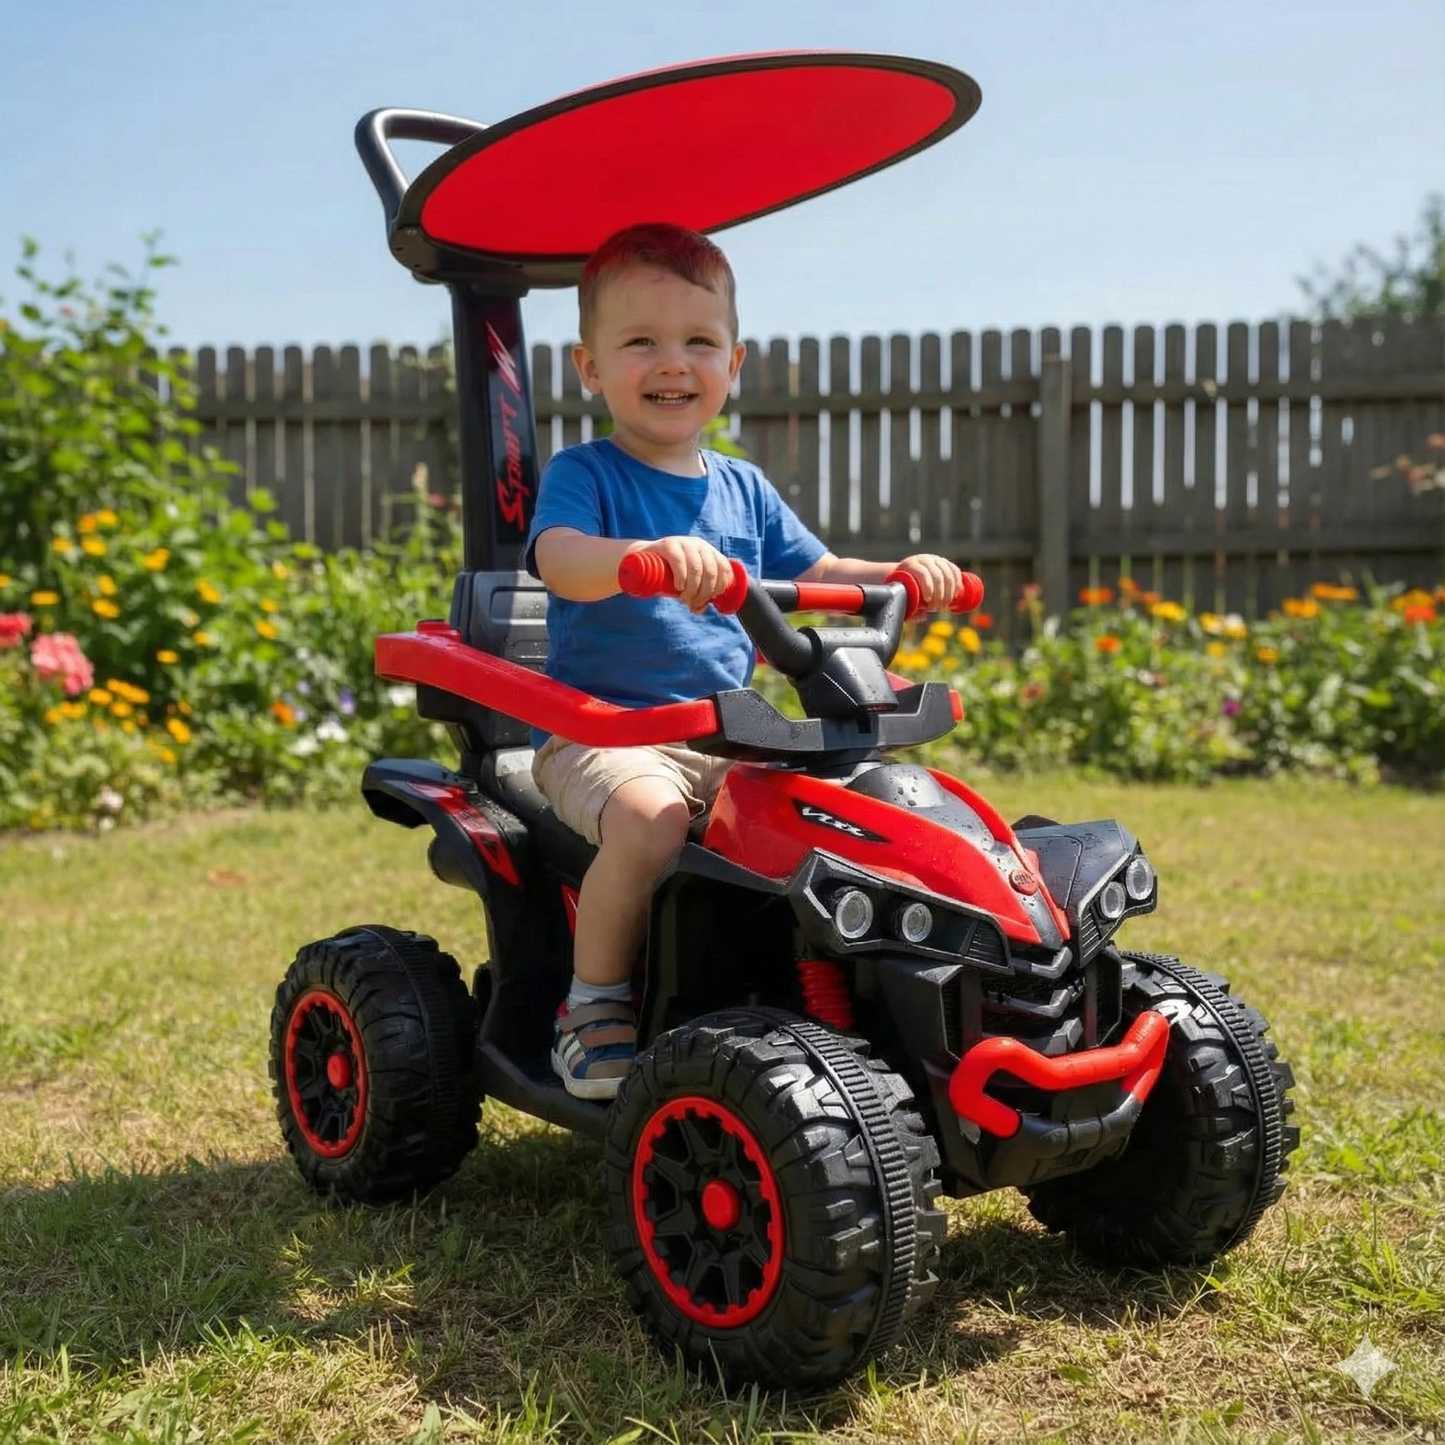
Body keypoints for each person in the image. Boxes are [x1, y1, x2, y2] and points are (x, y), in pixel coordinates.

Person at [525, 222, 963, 1100]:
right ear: (589, 367)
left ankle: (834, 996)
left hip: (727, 733)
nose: (672, 363)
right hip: (604, 734)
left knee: (831, 816)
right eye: (640, 342)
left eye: (698, 341)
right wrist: (633, 557)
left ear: (734, 363)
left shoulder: (743, 487)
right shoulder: (589, 474)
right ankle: (593, 1005)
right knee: (649, 821)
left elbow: (817, 571)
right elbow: (556, 556)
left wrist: (898, 576)